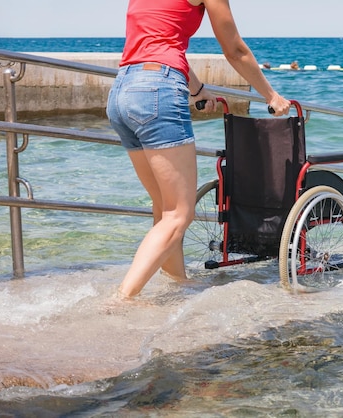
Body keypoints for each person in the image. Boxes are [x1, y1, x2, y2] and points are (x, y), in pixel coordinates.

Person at [106, 0, 291, 298]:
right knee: (179, 214)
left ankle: (178, 282)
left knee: (164, 207)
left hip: (122, 90)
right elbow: (235, 50)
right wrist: (271, 95)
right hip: (157, 91)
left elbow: (157, 42)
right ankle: (123, 299)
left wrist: (196, 88)